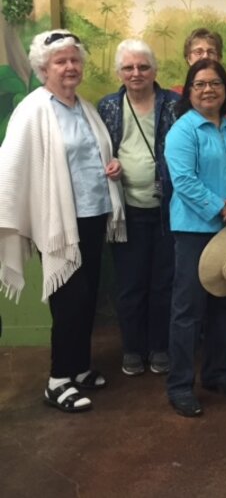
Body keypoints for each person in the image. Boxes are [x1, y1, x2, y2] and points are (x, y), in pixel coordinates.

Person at [0, 30, 125, 413]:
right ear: (43, 68)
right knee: (69, 300)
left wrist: (113, 166)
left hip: (91, 215)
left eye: (74, 60)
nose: (70, 67)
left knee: (86, 298)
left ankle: (79, 366)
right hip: (57, 223)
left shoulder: (83, 108)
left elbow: (94, 156)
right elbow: (11, 165)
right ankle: (57, 381)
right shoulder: (34, 109)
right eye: (61, 61)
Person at [164, 59, 226, 417]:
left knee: (225, 304)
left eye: (216, 83)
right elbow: (185, 182)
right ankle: (179, 385)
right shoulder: (183, 131)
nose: (208, 90)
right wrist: (223, 209)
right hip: (195, 230)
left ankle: (217, 373)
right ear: (189, 91)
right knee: (188, 310)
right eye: (201, 84)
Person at [97, 39, 179, 377]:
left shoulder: (174, 105)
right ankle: (132, 348)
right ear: (119, 72)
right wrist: (109, 165)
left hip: (167, 210)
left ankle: (159, 347)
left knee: (163, 283)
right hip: (126, 209)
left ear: (155, 71)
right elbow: (98, 151)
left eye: (143, 67)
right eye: (129, 67)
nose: (136, 73)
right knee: (130, 285)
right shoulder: (107, 108)